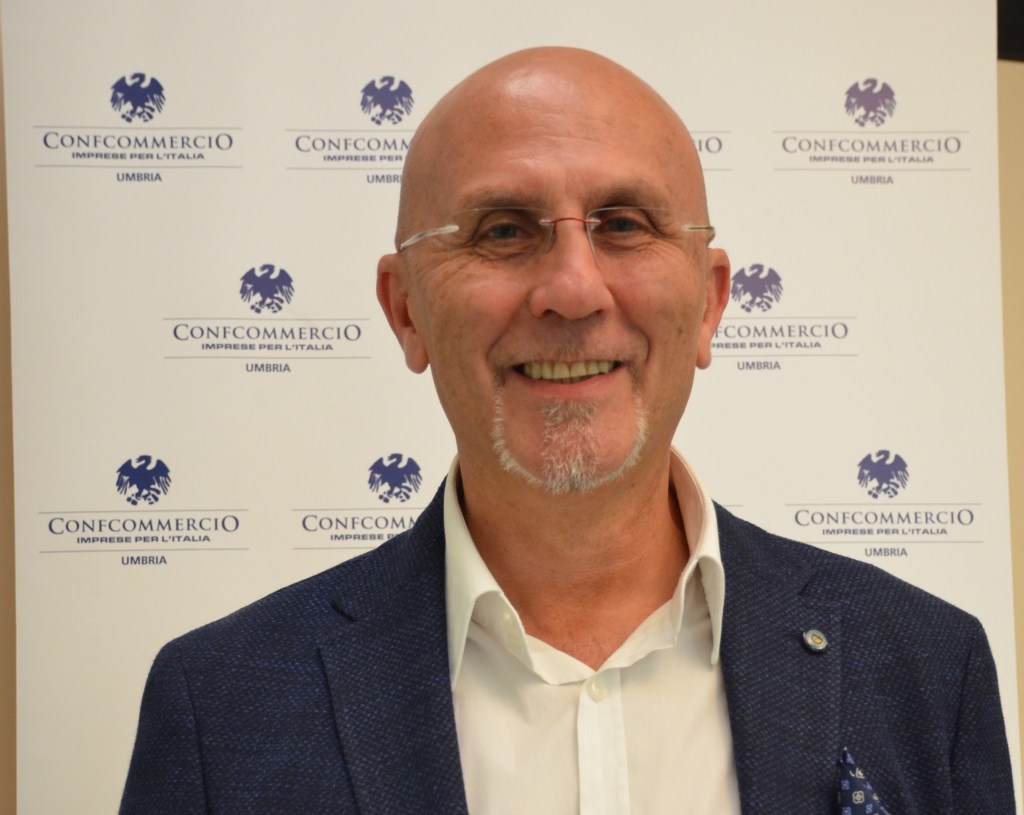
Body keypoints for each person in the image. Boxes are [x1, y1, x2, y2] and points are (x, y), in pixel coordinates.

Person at [120, 47, 1015, 814]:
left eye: (624, 224)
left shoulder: (925, 670)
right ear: (407, 311)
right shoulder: (221, 708)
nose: (574, 289)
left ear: (709, 303)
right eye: (504, 230)